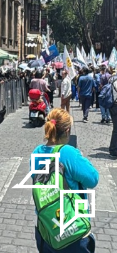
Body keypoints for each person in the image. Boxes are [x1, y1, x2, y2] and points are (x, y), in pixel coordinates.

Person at [33, 108, 99, 252]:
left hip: (46, 227)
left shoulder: (36, 152)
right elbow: (93, 179)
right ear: (67, 131)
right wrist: (81, 157)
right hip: (72, 229)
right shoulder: (68, 153)